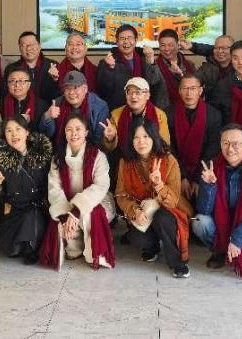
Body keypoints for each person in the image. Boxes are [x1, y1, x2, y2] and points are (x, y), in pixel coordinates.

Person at [115, 119, 193, 278]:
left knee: (161, 218)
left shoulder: (169, 160)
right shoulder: (125, 162)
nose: (141, 142)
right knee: (137, 238)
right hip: (142, 211)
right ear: (131, 141)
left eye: (146, 136)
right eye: (136, 137)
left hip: (168, 211)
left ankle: (177, 262)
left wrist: (159, 185)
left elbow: (173, 200)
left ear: (154, 137)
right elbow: (121, 195)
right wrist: (135, 211)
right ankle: (153, 248)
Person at [193, 124, 242, 276]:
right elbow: (203, 210)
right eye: (225, 143)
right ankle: (220, 251)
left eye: (235, 144)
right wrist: (209, 186)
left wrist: (237, 238)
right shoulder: (211, 168)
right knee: (198, 221)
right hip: (221, 223)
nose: (230, 149)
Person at [41, 113, 116, 269]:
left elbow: (100, 187)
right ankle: (74, 245)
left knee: (88, 213)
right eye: (69, 129)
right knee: (61, 218)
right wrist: (67, 213)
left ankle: (92, 251)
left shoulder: (98, 156)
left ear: (86, 132)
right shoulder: (58, 158)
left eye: (78, 129)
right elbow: (54, 189)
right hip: (67, 202)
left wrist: (76, 211)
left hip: (97, 202)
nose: (73, 133)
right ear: (64, 133)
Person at [0, 116, 53, 264]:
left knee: (33, 215)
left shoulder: (42, 155)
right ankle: (25, 243)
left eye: (18, 129)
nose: (14, 134)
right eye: (9, 131)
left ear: (27, 132)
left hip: (39, 209)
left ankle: (31, 248)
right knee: (12, 251)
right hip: (15, 210)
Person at [166, 73, 221, 202]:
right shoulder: (168, 114)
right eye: (185, 88)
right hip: (175, 170)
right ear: (179, 90)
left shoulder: (213, 115)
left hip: (203, 171)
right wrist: (182, 177)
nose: (188, 93)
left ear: (200, 91)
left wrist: (198, 178)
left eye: (193, 88)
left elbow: (212, 150)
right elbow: (168, 148)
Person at [101, 77, 170, 159]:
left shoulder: (160, 115)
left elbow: (165, 145)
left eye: (138, 92)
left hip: (152, 159)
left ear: (147, 95)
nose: (133, 96)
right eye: (129, 92)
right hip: (124, 159)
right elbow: (109, 148)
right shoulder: (116, 114)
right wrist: (111, 139)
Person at [96, 24, 161, 110]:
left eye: (130, 38)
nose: (126, 42)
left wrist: (151, 62)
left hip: (144, 109)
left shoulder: (144, 58)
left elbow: (154, 84)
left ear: (136, 40)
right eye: (122, 39)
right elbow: (103, 91)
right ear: (117, 42)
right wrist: (110, 69)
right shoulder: (107, 62)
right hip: (119, 111)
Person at [44, 71, 110, 148]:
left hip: (90, 150)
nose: (71, 92)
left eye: (75, 87)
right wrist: (47, 116)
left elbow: (99, 141)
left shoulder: (99, 106)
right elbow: (47, 134)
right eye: (67, 88)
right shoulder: (57, 103)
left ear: (85, 89)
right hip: (62, 150)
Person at [3, 31, 60, 102]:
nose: (28, 48)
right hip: (21, 107)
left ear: (39, 46)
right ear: (20, 48)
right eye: (24, 45)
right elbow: (6, 93)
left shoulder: (54, 65)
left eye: (32, 44)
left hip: (49, 107)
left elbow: (61, 93)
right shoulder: (11, 68)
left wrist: (55, 80)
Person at [179, 34, 234, 102]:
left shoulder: (239, 67)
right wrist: (180, 73)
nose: (220, 51)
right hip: (213, 106)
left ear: (233, 49)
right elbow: (193, 81)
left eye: (224, 48)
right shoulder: (207, 68)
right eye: (216, 48)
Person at [1, 67, 54, 135]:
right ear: (8, 84)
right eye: (12, 81)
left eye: (21, 81)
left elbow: (47, 132)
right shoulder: (0, 104)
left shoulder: (41, 104)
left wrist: (28, 123)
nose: (17, 85)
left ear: (29, 84)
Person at [153, 28, 196, 109]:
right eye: (163, 45)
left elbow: (194, 88)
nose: (166, 49)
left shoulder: (190, 65)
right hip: (163, 112)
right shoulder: (154, 66)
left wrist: (180, 74)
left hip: (187, 109)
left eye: (170, 45)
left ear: (178, 45)